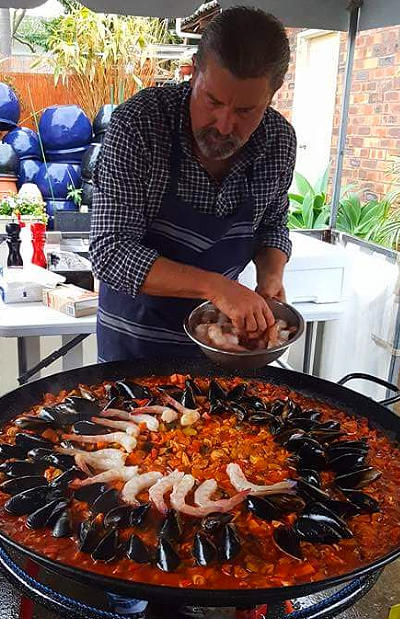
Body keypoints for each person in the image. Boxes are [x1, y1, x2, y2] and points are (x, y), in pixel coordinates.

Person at [90, 6, 296, 364]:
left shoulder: (278, 142)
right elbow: (111, 253)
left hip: (224, 352)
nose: (224, 125)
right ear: (194, 70)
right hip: (134, 352)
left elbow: (272, 224)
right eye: (212, 101)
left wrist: (271, 275)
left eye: (245, 111)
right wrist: (217, 287)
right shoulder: (139, 125)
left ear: (273, 93)